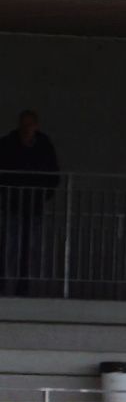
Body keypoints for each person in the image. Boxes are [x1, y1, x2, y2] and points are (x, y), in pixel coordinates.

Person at [0, 110, 60, 295]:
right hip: (12, 205)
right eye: (24, 125)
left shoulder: (44, 145)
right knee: (9, 248)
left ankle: (24, 287)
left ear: (36, 126)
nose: (27, 129)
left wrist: (43, 195)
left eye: (30, 125)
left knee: (30, 249)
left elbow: (53, 174)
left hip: (34, 206)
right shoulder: (8, 144)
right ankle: (4, 287)